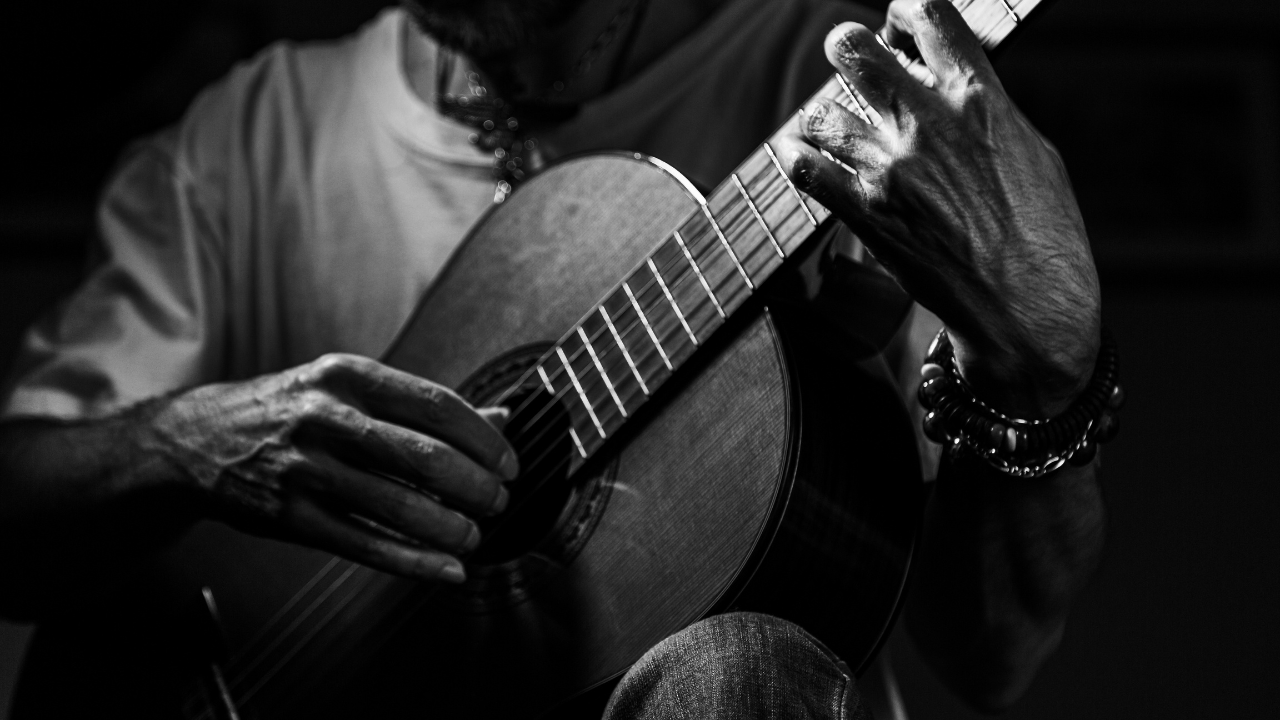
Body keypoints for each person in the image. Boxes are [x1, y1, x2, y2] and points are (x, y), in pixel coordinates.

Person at [0, 0, 1107, 717]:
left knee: (736, 671)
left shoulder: (858, 97)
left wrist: (1035, 365)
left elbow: (990, 656)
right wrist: (190, 444)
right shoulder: (243, 142)